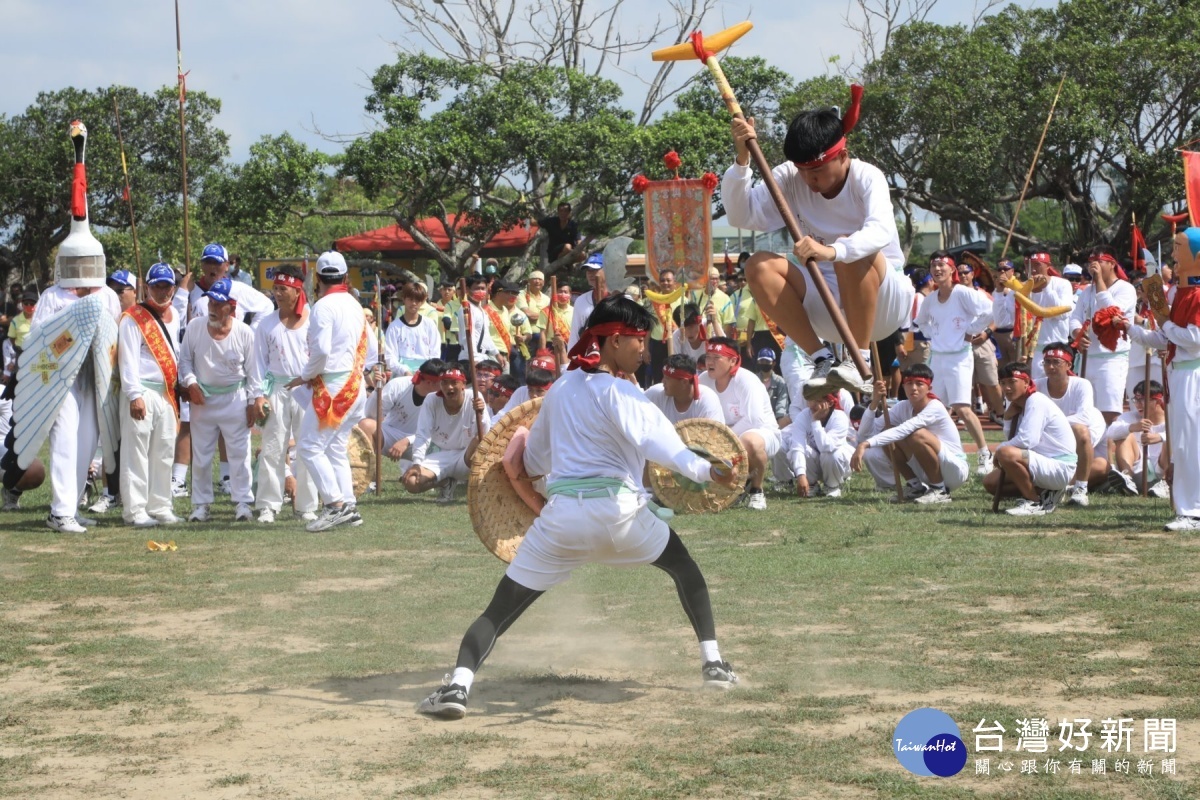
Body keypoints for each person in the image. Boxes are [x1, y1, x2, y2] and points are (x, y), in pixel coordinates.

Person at [417, 294, 739, 720]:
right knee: (684, 568)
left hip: (562, 520)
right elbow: (664, 447)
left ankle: (457, 686)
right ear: (609, 341)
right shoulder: (623, 393)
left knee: (499, 609)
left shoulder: (561, 389)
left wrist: (516, 475)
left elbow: (534, 462)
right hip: (620, 516)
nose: (644, 348)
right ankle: (713, 663)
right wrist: (708, 472)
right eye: (637, 339)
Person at [724, 86, 914, 388]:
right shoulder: (790, 176)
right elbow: (742, 215)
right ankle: (823, 360)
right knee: (758, 266)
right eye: (803, 171)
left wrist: (833, 251)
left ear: (844, 156)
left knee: (852, 249)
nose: (810, 181)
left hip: (882, 304)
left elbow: (880, 231)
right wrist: (742, 159)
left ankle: (858, 358)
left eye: (818, 171)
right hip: (825, 306)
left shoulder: (868, 177)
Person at [1116, 228, 1200, 531]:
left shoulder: (1198, 293)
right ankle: (1187, 508)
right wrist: (1131, 328)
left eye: (1178, 248)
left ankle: (1192, 512)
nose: (1173, 255)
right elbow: (1166, 339)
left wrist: (1164, 323)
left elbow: (1194, 338)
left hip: (1193, 372)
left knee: (1191, 444)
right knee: (1182, 444)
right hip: (1178, 372)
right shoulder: (1180, 291)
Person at [290, 251, 376, 532]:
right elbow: (372, 350)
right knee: (336, 447)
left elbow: (323, 350)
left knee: (309, 446)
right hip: (355, 384)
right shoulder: (355, 304)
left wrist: (304, 375)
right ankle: (348, 505)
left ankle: (334, 506)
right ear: (344, 276)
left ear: (317, 277)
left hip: (335, 387)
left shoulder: (324, 307)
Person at [178, 277, 256, 523]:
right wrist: (191, 384)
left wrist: (254, 402)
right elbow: (185, 361)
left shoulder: (244, 333)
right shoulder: (194, 327)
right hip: (203, 400)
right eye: (210, 301)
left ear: (231, 308)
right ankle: (201, 505)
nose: (211, 307)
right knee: (201, 455)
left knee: (239, 453)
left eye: (218, 303)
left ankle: (243, 502)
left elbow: (255, 372)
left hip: (235, 399)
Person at [249, 265, 319, 524]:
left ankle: (307, 504)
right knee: (272, 447)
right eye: (275, 288)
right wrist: (258, 395)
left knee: (307, 447)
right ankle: (268, 504)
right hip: (276, 389)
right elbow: (257, 363)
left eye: (283, 288)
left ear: (296, 289)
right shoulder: (266, 324)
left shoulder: (312, 321)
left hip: (307, 389)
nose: (277, 293)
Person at [915, 252, 995, 475]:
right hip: (938, 358)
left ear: (952, 271)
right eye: (933, 266)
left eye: (942, 265)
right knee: (936, 408)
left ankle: (984, 453)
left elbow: (989, 311)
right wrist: (934, 334)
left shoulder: (962, 293)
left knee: (962, 408)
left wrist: (970, 330)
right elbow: (921, 322)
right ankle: (946, 453)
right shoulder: (930, 299)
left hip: (960, 357)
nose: (937, 269)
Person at [117, 263, 182, 527]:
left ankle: (160, 504)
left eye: (167, 286)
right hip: (141, 390)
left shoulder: (175, 315)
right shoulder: (133, 317)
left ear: (173, 288)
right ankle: (135, 510)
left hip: (165, 392)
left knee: (164, 451)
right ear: (147, 287)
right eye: (157, 286)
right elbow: (127, 359)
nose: (162, 291)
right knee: (136, 452)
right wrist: (134, 395)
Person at [852, 363, 970, 503]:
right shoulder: (902, 407)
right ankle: (915, 487)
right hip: (926, 470)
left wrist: (865, 445)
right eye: (909, 383)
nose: (913, 388)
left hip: (955, 471)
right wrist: (874, 402)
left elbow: (905, 429)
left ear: (929, 388)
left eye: (919, 384)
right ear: (903, 386)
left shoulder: (935, 406)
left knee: (917, 434)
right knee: (887, 433)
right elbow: (866, 433)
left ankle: (940, 490)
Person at [982, 362, 1077, 516]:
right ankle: (1048, 492)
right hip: (1041, 462)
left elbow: (1027, 441)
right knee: (991, 483)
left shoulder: (1036, 400)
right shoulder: (1016, 403)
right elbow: (1013, 438)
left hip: (1059, 465)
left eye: (1012, 382)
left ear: (1026, 382)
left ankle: (1034, 502)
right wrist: (1007, 418)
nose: (1006, 388)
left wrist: (1000, 451)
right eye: (1003, 383)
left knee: (1007, 453)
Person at [698, 336, 783, 511]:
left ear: (733, 360)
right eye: (708, 357)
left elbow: (754, 419)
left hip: (762, 433)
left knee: (749, 441)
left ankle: (757, 491)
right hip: (726, 434)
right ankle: (734, 487)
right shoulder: (703, 380)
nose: (710, 362)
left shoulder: (747, 380)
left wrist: (724, 440)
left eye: (716, 358)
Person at [401, 363, 490, 504]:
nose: (449, 387)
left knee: (479, 440)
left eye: (454, 383)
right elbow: (422, 433)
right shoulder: (431, 400)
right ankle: (445, 482)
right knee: (411, 482)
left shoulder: (475, 397)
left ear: (463, 384)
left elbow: (484, 434)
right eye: (444, 383)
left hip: (467, 457)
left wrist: (481, 412)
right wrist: (417, 463)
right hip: (440, 456)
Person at [1069, 246, 1137, 424]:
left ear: (1112, 264)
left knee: (1109, 411)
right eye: (1091, 262)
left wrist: (1099, 281)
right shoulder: (1087, 292)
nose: (1093, 266)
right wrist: (1077, 333)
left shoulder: (1126, 289)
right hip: (1087, 357)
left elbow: (1111, 312)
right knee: (1084, 410)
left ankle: (1110, 450)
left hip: (1112, 359)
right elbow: (1075, 318)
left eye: (1098, 262)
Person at [1035, 343, 1109, 507]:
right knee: (991, 482)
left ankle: (1080, 488)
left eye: (1056, 362)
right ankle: (1057, 486)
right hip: (1050, 445)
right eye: (1047, 362)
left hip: (1078, 441)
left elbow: (1084, 417)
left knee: (1099, 462)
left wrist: (1051, 425)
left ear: (1069, 364)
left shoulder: (1082, 384)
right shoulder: (1036, 386)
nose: (1051, 367)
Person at [783, 385, 855, 498]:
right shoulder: (803, 415)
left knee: (832, 454)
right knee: (800, 450)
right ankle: (811, 484)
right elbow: (797, 446)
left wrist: (815, 422)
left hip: (837, 464)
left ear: (830, 403)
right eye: (811, 400)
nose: (812, 405)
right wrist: (801, 475)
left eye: (818, 401)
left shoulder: (840, 417)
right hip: (816, 461)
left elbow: (825, 447)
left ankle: (832, 486)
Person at [377, 359, 444, 474]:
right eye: (443, 382)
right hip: (389, 435)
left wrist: (407, 441)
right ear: (430, 382)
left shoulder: (442, 398)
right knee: (367, 425)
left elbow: (433, 432)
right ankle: (369, 474)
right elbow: (372, 415)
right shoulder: (398, 385)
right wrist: (376, 391)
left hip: (422, 443)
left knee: (414, 482)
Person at [188, 243, 273, 330]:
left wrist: (252, 334)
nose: (212, 267)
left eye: (217, 263)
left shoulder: (237, 289)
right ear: (202, 265)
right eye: (208, 262)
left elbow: (267, 306)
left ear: (227, 266)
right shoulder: (191, 290)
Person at [1025, 250, 1074, 382]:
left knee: (1059, 388)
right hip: (1035, 350)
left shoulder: (1062, 284)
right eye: (1029, 265)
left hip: (1057, 347)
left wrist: (1046, 288)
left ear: (1048, 265)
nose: (1033, 270)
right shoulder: (1025, 287)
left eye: (1037, 265)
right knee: (1038, 390)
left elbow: (1063, 314)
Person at [643, 354, 724, 424]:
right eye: (663, 377)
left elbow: (714, 437)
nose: (662, 382)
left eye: (667, 379)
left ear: (684, 382)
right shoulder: (656, 393)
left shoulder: (707, 399)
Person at [384, 282, 442, 377]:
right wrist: (404, 370)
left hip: (425, 375)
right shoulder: (394, 327)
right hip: (401, 375)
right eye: (410, 299)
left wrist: (426, 370)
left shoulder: (429, 324)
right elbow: (390, 357)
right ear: (403, 299)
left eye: (417, 300)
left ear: (422, 301)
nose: (414, 303)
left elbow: (435, 352)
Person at [456, 274, 503, 368]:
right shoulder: (467, 308)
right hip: (471, 358)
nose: (481, 291)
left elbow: (486, 336)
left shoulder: (481, 310)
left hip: (483, 357)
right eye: (477, 288)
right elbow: (468, 336)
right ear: (468, 290)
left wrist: (496, 354)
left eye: (483, 288)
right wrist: (474, 359)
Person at [567, 255, 608, 350]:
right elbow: (575, 334)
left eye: (595, 269)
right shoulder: (581, 300)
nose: (590, 274)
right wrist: (573, 360)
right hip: (589, 355)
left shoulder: (621, 299)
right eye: (588, 270)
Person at [991, 259, 1018, 370]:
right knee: (1002, 370)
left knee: (1015, 367)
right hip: (998, 333)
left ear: (1012, 271)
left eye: (1006, 269)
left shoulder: (1018, 288)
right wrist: (1000, 291)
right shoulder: (995, 291)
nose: (1002, 272)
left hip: (1014, 334)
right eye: (1000, 269)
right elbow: (998, 317)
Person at [754, 348, 791, 426]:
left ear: (773, 363)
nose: (764, 363)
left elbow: (782, 402)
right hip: (756, 418)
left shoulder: (780, 382)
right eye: (762, 361)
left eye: (767, 361)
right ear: (758, 362)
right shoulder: (753, 379)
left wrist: (779, 419)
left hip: (774, 420)